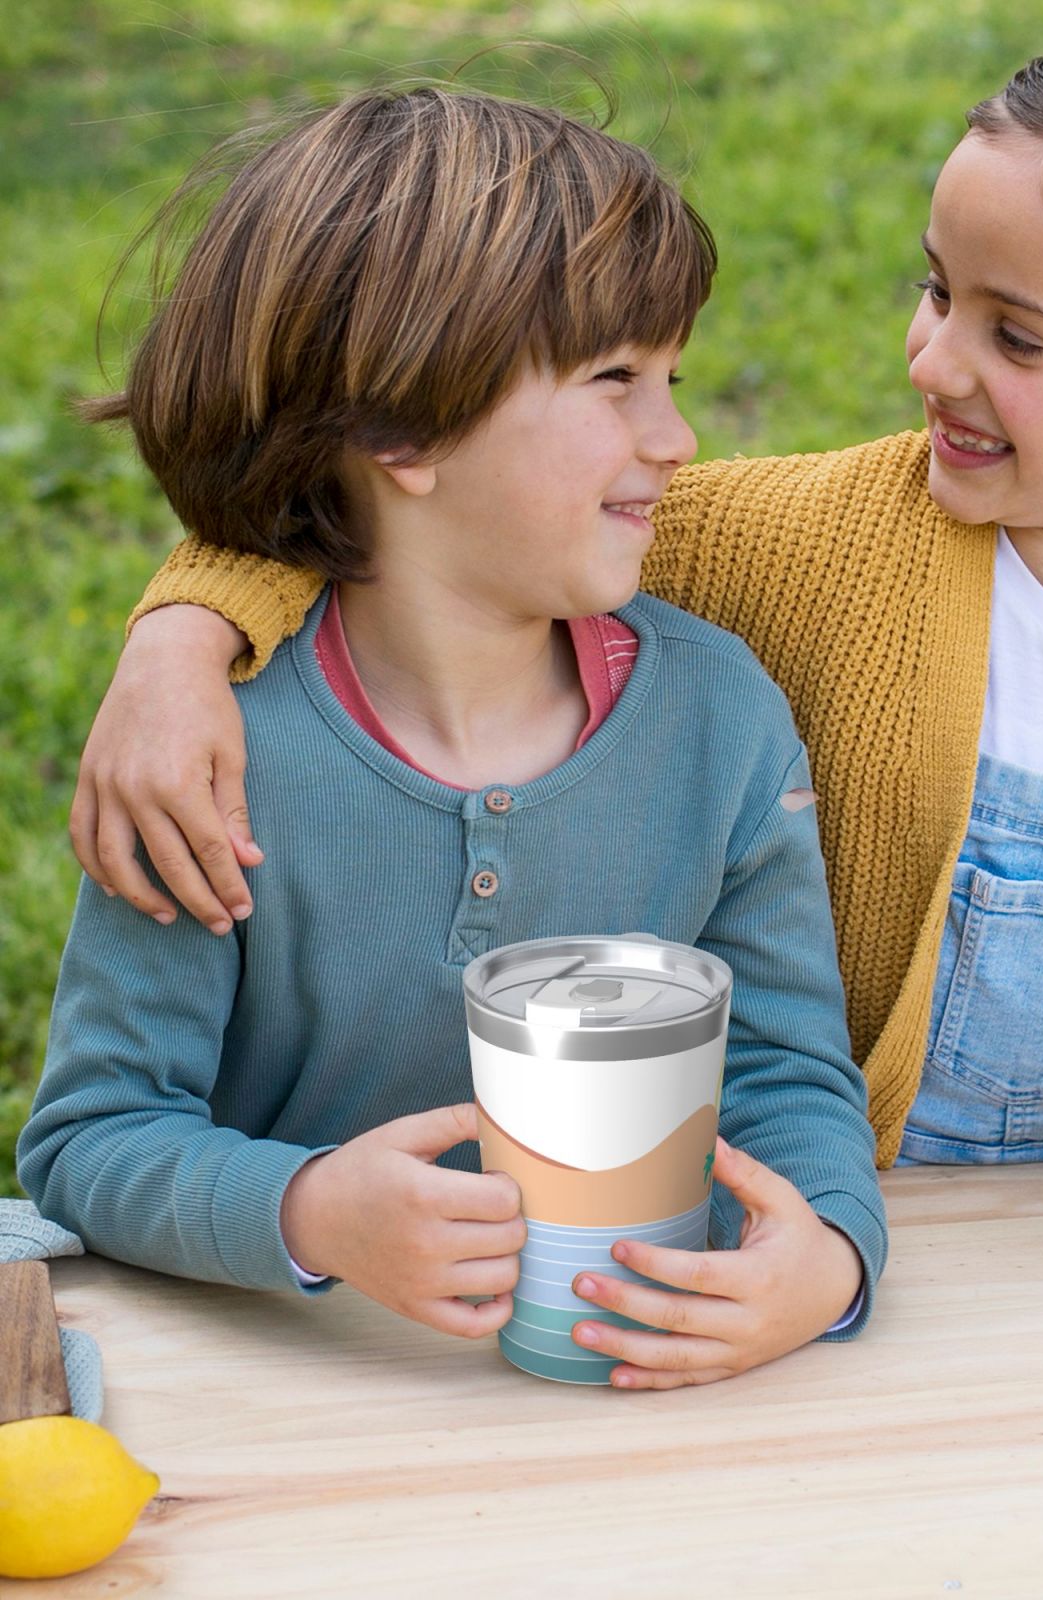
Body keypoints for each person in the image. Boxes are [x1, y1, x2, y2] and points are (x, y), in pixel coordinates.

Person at [68, 25, 1043, 1188]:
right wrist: (185, 635)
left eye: (1018, 335)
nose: (934, 358)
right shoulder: (807, 546)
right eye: (937, 291)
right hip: (849, 1249)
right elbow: (421, 506)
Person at [20, 86, 887, 1391]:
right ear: (398, 430)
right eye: (614, 383)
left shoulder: (724, 720)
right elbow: (94, 1138)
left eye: (673, 379)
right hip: (307, 1403)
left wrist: (825, 1253)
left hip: (639, 1396)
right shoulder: (207, 757)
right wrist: (312, 1211)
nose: (677, 438)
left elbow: (781, 1073)